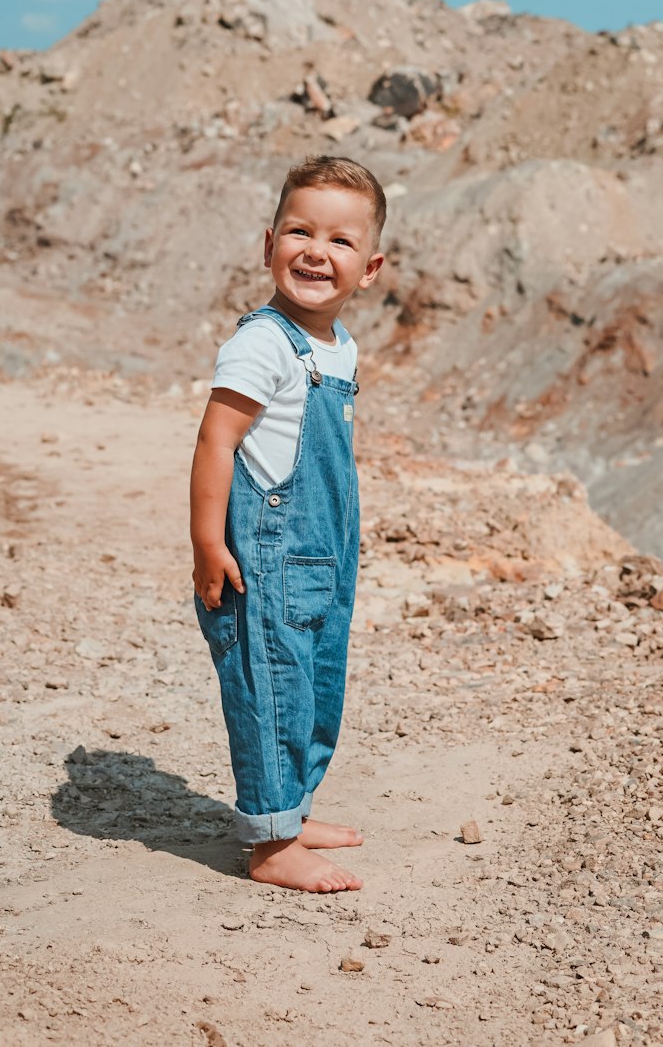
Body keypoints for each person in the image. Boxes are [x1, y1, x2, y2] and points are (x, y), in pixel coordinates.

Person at [190, 155, 386, 892]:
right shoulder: (263, 343)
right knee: (273, 687)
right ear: (268, 242)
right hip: (266, 558)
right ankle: (271, 846)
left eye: (339, 242)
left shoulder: (339, 347)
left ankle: (293, 811)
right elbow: (217, 441)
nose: (316, 251)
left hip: (322, 556)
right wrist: (208, 543)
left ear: (368, 268)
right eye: (300, 232)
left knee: (314, 686)